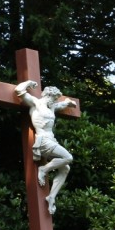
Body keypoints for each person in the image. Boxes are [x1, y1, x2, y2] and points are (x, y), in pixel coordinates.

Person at [15, 80, 78, 215]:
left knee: (65, 168)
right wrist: (29, 82)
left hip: (52, 140)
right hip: (43, 141)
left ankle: (51, 197)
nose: (54, 101)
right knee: (68, 157)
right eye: (54, 98)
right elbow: (19, 90)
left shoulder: (52, 107)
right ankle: (43, 169)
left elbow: (62, 104)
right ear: (48, 95)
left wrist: (69, 102)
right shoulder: (36, 103)